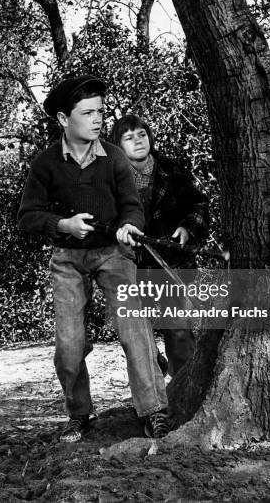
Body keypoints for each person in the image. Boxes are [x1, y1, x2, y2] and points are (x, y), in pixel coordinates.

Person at [18, 77, 169, 442]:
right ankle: (79, 414)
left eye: (101, 111)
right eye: (88, 113)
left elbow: (132, 207)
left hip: (114, 255)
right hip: (67, 259)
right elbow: (27, 216)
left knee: (135, 330)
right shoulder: (46, 164)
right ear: (62, 118)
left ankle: (154, 411)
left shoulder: (114, 157)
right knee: (68, 345)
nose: (98, 119)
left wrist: (129, 225)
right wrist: (63, 224)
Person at [110, 114, 210, 377]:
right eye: (129, 137)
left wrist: (188, 228)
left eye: (142, 134)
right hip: (130, 264)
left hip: (170, 261)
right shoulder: (109, 178)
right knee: (135, 332)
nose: (138, 141)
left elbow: (198, 204)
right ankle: (155, 370)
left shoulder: (170, 169)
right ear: (118, 145)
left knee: (177, 326)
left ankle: (182, 385)